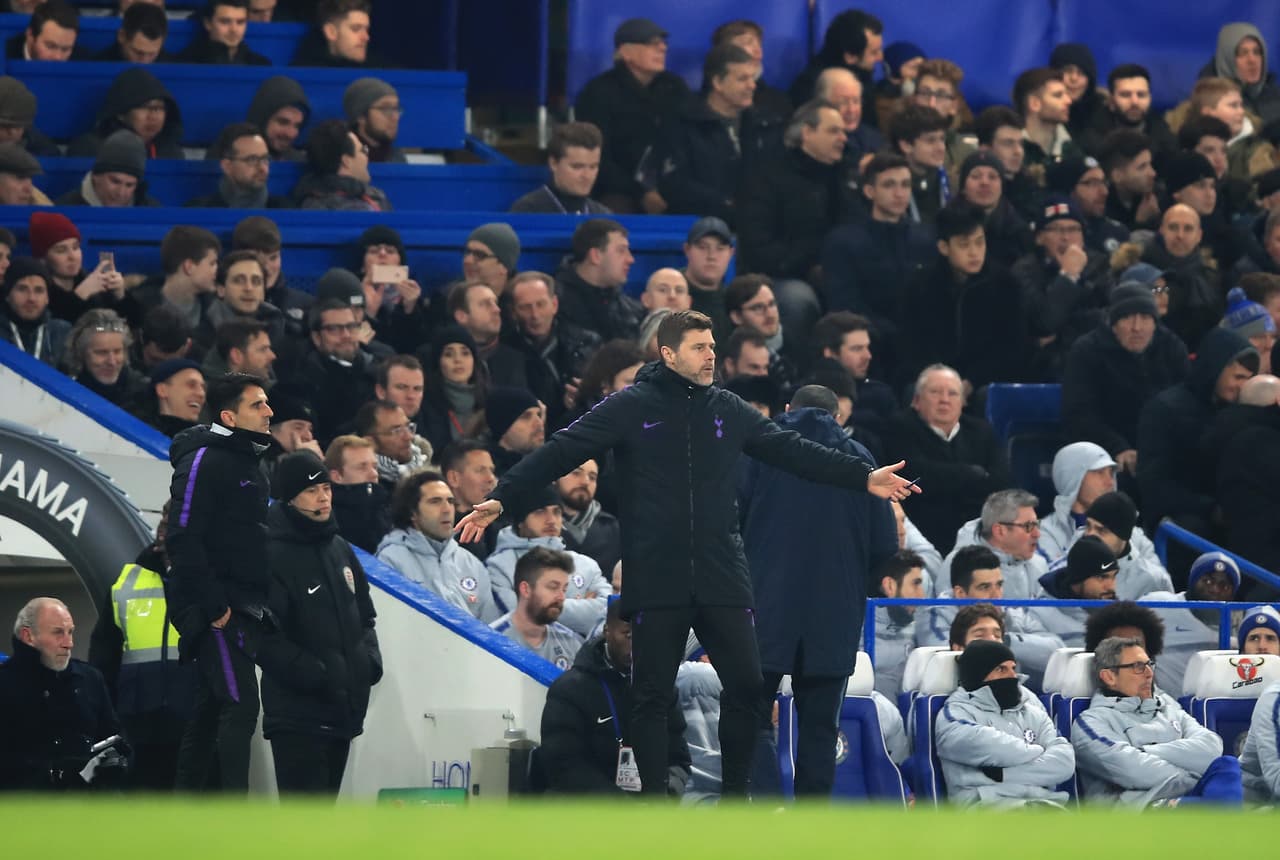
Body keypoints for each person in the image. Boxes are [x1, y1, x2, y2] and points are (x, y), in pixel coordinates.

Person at [456, 310, 918, 797]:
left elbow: (793, 451)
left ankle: (738, 801)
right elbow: (560, 450)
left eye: (713, 346)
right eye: (700, 347)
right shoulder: (629, 406)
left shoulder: (729, 407)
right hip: (657, 576)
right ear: (668, 353)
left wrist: (862, 477)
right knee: (651, 696)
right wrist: (504, 498)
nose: (711, 355)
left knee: (744, 689)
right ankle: (657, 806)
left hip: (724, 575)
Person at [739, 384, 897, 796]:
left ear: (786, 410)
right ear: (838, 416)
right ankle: (812, 830)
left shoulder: (757, 450)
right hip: (834, 613)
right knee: (820, 728)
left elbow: (727, 525)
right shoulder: (860, 460)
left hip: (763, 607)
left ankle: (764, 809)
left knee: (748, 714)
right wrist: (849, 587)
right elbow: (885, 545)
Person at [164, 373, 275, 792]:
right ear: (229, 416)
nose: (269, 412)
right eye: (258, 405)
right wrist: (214, 607)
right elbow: (183, 536)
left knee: (212, 710)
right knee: (240, 704)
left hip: (241, 604)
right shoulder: (202, 460)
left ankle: (187, 811)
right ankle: (234, 821)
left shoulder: (247, 461)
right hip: (215, 607)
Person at [261, 451, 381, 797]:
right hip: (298, 716)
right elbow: (263, 636)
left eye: (326, 488)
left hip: (342, 713)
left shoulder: (339, 547)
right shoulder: (272, 553)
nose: (323, 497)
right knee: (303, 830)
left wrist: (368, 664)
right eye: (313, 490)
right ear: (290, 496)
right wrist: (315, 673)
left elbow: (365, 615)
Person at [539, 597, 691, 795]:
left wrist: (666, 794)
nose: (636, 644)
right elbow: (564, 766)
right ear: (607, 633)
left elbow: (679, 759)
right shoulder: (569, 690)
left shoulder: (662, 688)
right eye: (627, 634)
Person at [1072, 636, 1242, 807]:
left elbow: (1211, 748)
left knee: (1226, 764)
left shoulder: (1166, 704)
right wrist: (1196, 775)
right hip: (1140, 812)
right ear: (1109, 677)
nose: (1149, 674)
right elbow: (1134, 771)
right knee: (1220, 806)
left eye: (1149, 664)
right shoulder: (1090, 723)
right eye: (1138, 667)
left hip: (1189, 797)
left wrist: (1144, 751)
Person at [897, 204, 1031, 393]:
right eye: (964, 244)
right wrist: (943, 382)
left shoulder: (1005, 284)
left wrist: (972, 381)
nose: (974, 252)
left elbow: (1011, 347)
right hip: (934, 381)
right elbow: (913, 347)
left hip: (985, 381)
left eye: (979, 242)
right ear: (944, 247)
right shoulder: (920, 287)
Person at [1137, 327, 1257, 534]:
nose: (1243, 387)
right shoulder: (1164, 409)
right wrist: (1210, 509)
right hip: (1182, 517)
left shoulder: (1242, 413)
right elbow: (1154, 484)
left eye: (1248, 379)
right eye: (1238, 377)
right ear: (1216, 369)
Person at [1061, 284, 1189, 474]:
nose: (1137, 327)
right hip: (1105, 456)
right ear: (1113, 324)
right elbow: (1079, 414)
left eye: (1145, 318)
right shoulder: (1087, 351)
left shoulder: (1172, 348)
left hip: (1163, 453)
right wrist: (1117, 447)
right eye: (1127, 318)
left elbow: (1188, 405)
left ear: (1155, 322)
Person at [0, 598, 124, 791]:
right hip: (24, 808)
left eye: (70, 632)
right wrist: (51, 773)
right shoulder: (6, 684)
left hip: (89, 807)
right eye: (58, 632)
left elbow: (113, 737)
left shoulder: (90, 679)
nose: (69, 643)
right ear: (28, 636)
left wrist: (115, 762)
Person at [885, 364, 1011, 553]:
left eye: (952, 394)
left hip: (978, 533)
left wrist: (944, 477)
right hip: (925, 531)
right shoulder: (899, 428)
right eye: (935, 392)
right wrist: (973, 473)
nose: (944, 400)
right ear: (917, 400)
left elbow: (1002, 481)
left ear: (963, 401)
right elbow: (916, 477)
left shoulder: (982, 431)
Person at [935, 639, 1075, 807]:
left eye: (1013, 668)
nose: (1012, 676)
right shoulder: (954, 715)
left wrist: (1002, 774)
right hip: (983, 805)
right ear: (977, 674)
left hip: (1042, 803)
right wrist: (1039, 751)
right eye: (1001, 669)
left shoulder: (1032, 711)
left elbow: (1064, 763)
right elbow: (993, 746)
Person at [573, 18, 690, 214]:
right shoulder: (599, 92)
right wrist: (641, 193)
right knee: (613, 211)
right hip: (619, 190)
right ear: (625, 52)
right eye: (652, 44)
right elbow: (598, 155)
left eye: (663, 44)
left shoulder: (675, 87)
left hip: (672, 185)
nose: (662, 48)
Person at [654, 43, 780, 223]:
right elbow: (674, 184)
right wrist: (727, 204)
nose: (752, 86)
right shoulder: (682, 123)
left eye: (753, 78)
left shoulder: (764, 124)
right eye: (742, 79)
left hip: (755, 225)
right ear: (718, 83)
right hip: (698, 226)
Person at [736, 99, 850, 287]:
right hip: (782, 275)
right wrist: (808, 263)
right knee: (799, 300)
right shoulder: (769, 177)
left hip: (834, 270)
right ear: (807, 133)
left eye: (844, 131)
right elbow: (758, 245)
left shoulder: (844, 176)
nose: (843, 138)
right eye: (833, 131)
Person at [821, 153, 935, 334]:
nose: (899, 193)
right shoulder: (843, 242)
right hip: (870, 340)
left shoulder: (927, 237)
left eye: (905, 185)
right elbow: (844, 306)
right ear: (869, 191)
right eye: (889, 185)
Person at [486, 484, 612, 638]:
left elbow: (608, 613)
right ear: (520, 521)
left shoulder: (586, 565)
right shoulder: (500, 565)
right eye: (540, 512)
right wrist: (582, 608)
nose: (551, 520)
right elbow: (519, 616)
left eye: (557, 512)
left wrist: (543, 604)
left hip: (576, 657)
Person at [376, 471, 500, 622]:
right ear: (412, 512)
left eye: (450, 501)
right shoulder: (391, 560)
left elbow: (490, 627)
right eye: (435, 501)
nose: (447, 509)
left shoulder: (471, 563)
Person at [1012, 196, 1113, 380]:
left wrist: (1061, 333)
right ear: (1040, 238)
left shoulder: (1100, 265)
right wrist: (1068, 275)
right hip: (1038, 371)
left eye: (1073, 229)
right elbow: (1044, 322)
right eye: (1056, 229)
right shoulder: (1023, 270)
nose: (1066, 237)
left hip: (1093, 366)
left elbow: (1111, 316)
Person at [290, 297, 378, 445]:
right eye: (334, 329)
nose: (346, 335)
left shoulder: (376, 371)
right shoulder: (302, 382)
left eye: (351, 326)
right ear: (317, 337)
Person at [490, 546, 585, 669]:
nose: (561, 597)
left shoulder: (571, 643)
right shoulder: (492, 641)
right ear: (526, 589)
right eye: (553, 587)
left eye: (564, 589)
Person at [788, 9, 883, 129]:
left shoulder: (864, 77)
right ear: (850, 56)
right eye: (874, 52)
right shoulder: (810, 87)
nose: (881, 57)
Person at [554, 219, 644, 342]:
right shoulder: (556, 303)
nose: (630, 259)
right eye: (621, 250)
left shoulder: (630, 309)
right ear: (595, 255)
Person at [67, 67, 184, 161]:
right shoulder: (90, 148)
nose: (153, 117)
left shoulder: (172, 153)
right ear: (121, 113)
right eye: (145, 107)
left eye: (159, 108)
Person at [1035, 536, 1120, 646]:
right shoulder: (1040, 614)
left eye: (1114, 576)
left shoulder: (1117, 615)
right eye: (1101, 577)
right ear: (1079, 578)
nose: (1111, 587)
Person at [510, 122, 610, 215]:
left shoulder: (603, 214)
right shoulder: (527, 210)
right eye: (577, 167)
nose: (587, 176)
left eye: (593, 167)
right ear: (553, 163)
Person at [291, 119, 389, 211]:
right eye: (363, 151)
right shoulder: (321, 205)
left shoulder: (374, 195)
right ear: (346, 161)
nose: (367, 157)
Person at [60, 308, 149, 409]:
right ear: (81, 353)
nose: (112, 362)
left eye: (117, 351)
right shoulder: (63, 393)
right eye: (101, 353)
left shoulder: (144, 394)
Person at [186, 123, 287, 209]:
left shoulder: (284, 209)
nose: (263, 168)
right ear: (227, 166)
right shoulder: (199, 209)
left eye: (265, 159)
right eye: (252, 160)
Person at [1045, 155, 1129, 255]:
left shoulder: (1117, 232)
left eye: (1103, 182)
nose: (1104, 192)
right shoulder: (1055, 236)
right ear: (1069, 191)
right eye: (1092, 183)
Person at [57, 130, 162, 209]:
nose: (120, 193)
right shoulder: (64, 209)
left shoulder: (153, 211)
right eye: (115, 181)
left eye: (129, 185)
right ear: (96, 176)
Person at [1202, 23, 1280, 127]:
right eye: (1243, 53)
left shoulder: (1275, 95)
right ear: (1227, 60)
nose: (1252, 60)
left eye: (1257, 52)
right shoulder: (1209, 104)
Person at [323, 434, 389, 554]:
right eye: (362, 467)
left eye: (374, 466)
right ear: (336, 476)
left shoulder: (385, 505)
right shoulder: (328, 519)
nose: (374, 474)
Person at [0, 257, 70, 367]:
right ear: (7, 295)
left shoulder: (62, 332)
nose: (31, 298)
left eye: (39, 290)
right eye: (22, 289)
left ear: (47, 298)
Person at [889, 104, 951, 224]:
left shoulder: (948, 181)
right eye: (931, 140)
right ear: (906, 145)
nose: (941, 148)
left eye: (942, 139)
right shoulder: (888, 187)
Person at [556, 459, 620, 577]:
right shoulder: (540, 524)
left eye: (592, 477)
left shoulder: (611, 527)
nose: (585, 482)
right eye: (576, 473)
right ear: (555, 478)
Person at [682, 217, 736, 344]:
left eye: (720, 248)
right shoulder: (670, 292)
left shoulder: (734, 300)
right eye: (702, 247)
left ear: (731, 253)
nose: (711, 256)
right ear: (687, 250)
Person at [1012, 67, 1079, 170]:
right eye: (1058, 95)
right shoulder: (1012, 150)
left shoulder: (1072, 150)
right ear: (1034, 103)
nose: (1068, 101)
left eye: (1067, 94)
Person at [1099, 130, 1160, 231]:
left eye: (1150, 164)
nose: (1153, 173)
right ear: (1117, 176)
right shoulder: (1101, 208)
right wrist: (1140, 223)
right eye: (1142, 167)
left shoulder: (1157, 196)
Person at [179, 0, 270, 65]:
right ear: (208, 23)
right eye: (225, 22)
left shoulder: (260, 64)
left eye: (240, 22)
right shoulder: (185, 62)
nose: (234, 29)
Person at [246, 76, 311, 163]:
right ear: (262, 119)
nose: (291, 134)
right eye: (283, 122)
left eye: (297, 126)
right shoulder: (236, 165)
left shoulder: (302, 164)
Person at [292, 0, 375, 68]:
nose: (366, 37)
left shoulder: (377, 70)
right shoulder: (303, 72)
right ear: (331, 32)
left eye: (366, 30)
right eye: (356, 29)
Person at [136, 358, 206, 437]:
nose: (201, 394)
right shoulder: (134, 428)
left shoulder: (203, 445)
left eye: (203, 388)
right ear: (162, 390)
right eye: (191, 385)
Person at [344, 77, 405, 164]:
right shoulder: (342, 157)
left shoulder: (396, 157)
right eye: (385, 109)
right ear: (361, 116)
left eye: (396, 109)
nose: (395, 117)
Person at [6, 0, 85, 61]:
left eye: (65, 49)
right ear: (30, 35)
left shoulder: (82, 60)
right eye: (50, 46)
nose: (58, 57)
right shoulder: (6, 54)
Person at [95, 3, 170, 63]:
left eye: (152, 54)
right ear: (122, 36)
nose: (145, 62)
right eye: (138, 53)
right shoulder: (96, 65)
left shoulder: (171, 65)